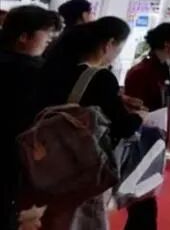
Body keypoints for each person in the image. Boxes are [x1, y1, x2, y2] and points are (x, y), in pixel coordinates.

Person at [37, 17, 144, 230]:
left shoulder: (51, 69)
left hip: (46, 157)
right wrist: (139, 117)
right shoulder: (100, 77)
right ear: (109, 44)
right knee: (82, 218)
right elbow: (122, 126)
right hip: (83, 162)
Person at [0, 6, 58, 230]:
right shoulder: (34, 71)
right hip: (16, 153)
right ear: (24, 37)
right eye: (46, 32)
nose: (49, 39)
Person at [123, 22, 170, 230]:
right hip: (143, 142)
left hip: (154, 139)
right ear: (168, 45)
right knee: (142, 201)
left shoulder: (159, 70)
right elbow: (137, 108)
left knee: (145, 199)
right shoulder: (143, 72)